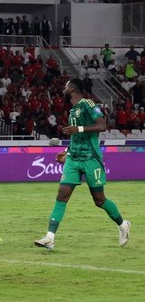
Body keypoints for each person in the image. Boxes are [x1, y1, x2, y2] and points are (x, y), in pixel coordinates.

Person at [34, 78, 130, 250]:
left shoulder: (88, 104)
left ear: (71, 89)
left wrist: (77, 129)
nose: (63, 89)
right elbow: (77, 138)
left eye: (65, 87)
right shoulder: (73, 111)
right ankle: (50, 238)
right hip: (74, 159)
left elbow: (102, 125)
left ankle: (123, 225)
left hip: (91, 159)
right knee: (62, 195)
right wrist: (68, 152)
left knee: (99, 200)